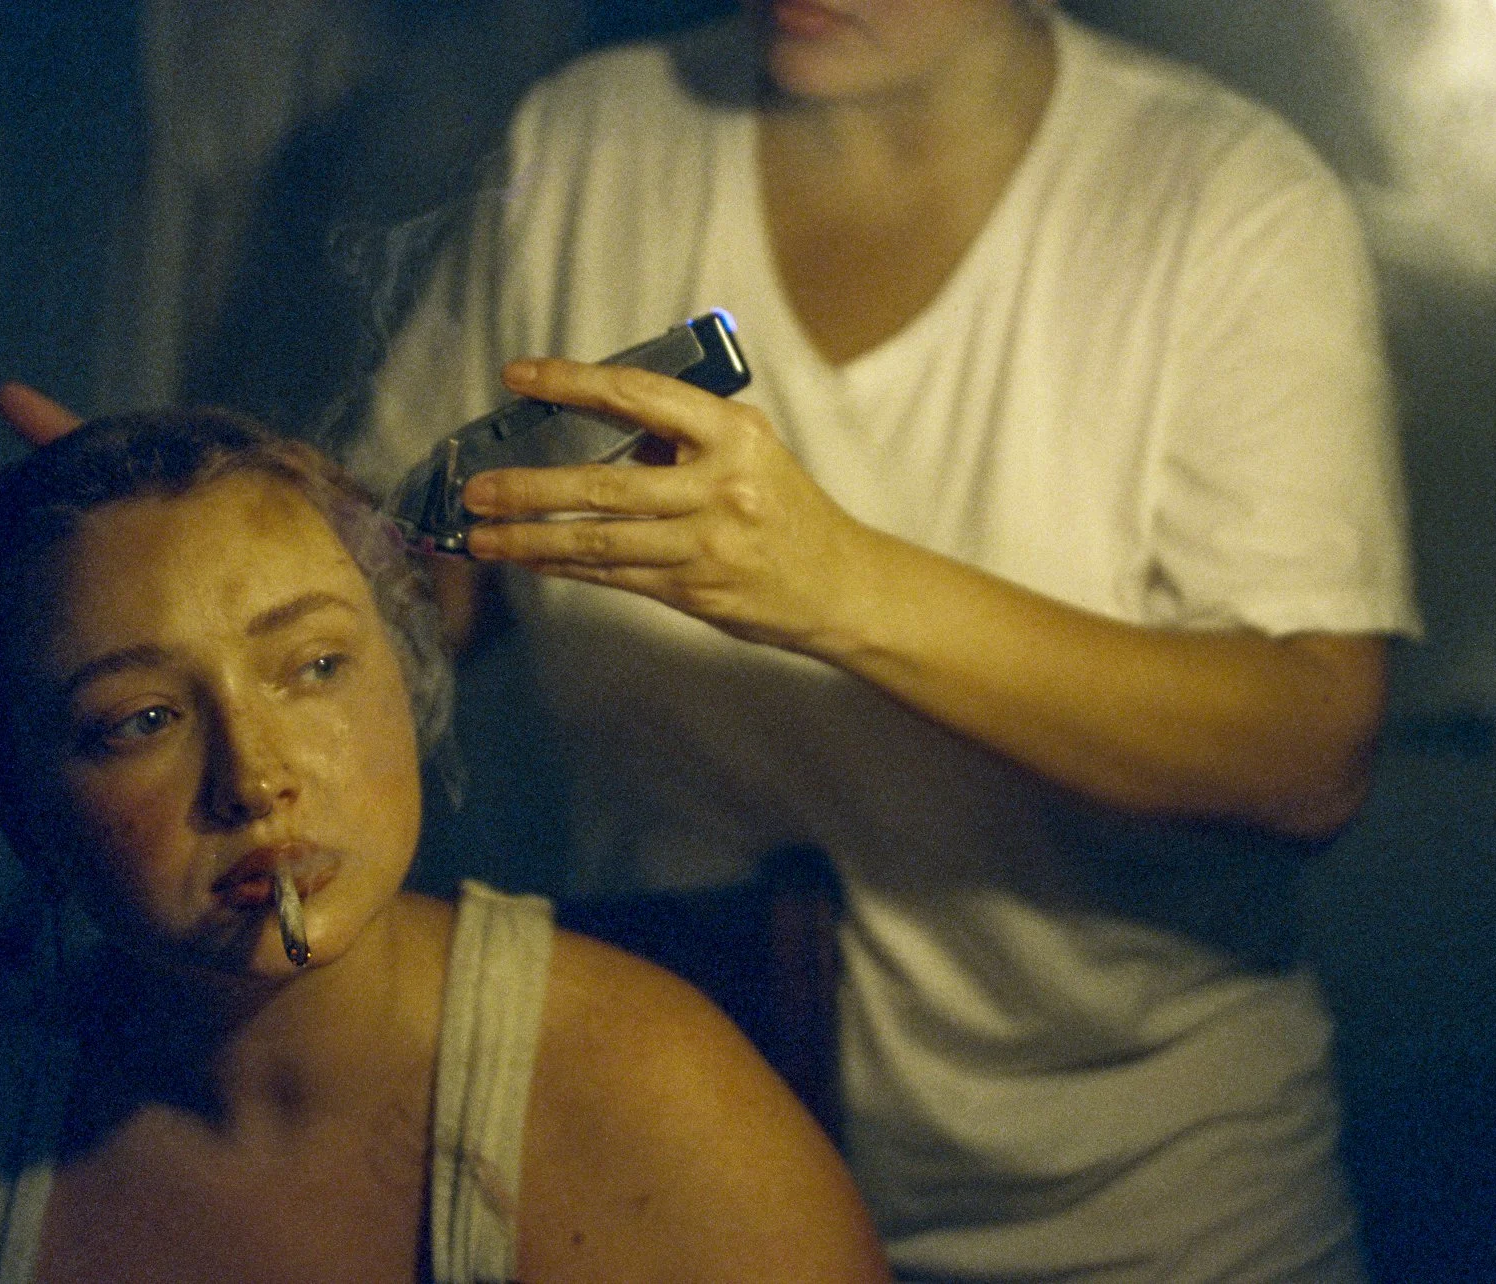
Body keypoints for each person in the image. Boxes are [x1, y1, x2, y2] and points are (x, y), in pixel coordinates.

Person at [333, 1, 1423, 1280]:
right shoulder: (589, 137)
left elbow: (1307, 753)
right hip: (684, 1169)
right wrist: (212, 567)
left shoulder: (1222, 197)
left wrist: (833, 582)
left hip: (1149, 1209)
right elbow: (425, 561)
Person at [0, 408, 890, 1283]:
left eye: (315, 665)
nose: (255, 777)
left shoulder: (657, 1115)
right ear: (16, 808)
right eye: (141, 719)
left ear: (409, 680)